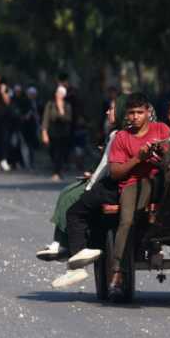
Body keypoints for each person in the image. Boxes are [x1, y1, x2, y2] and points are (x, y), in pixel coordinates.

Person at [43, 97, 127, 288]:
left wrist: (91, 184)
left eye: (111, 109)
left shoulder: (118, 135)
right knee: (68, 192)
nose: (107, 112)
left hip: (111, 186)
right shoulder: (124, 133)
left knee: (72, 203)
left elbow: (106, 167)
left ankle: (72, 257)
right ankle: (61, 242)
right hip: (119, 184)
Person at [107, 93, 170, 299]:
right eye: (131, 113)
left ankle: (155, 243)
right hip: (132, 183)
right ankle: (117, 271)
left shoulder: (161, 130)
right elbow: (116, 172)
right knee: (126, 221)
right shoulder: (122, 138)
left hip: (159, 181)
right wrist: (138, 158)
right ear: (126, 115)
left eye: (139, 112)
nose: (135, 117)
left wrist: (162, 152)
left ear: (148, 112)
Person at [41, 86, 73, 181]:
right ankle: (56, 170)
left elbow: (68, 119)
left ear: (63, 95)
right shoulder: (50, 104)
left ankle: (57, 172)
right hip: (52, 133)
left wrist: (61, 110)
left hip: (63, 134)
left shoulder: (67, 105)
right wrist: (44, 132)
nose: (57, 95)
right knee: (52, 152)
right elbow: (45, 118)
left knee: (59, 153)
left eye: (60, 93)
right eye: (57, 93)